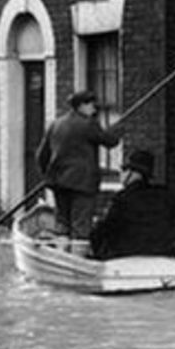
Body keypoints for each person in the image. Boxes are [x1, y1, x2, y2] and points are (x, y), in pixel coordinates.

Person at [35, 90, 123, 255]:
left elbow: (41, 155)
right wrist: (118, 128)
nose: (94, 109)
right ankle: (77, 262)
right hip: (82, 184)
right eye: (91, 105)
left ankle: (61, 258)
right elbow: (111, 141)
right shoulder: (88, 124)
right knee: (81, 225)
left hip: (58, 183)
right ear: (81, 106)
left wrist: (47, 176)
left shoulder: (56, 124)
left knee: (62, 223)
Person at [90, 150, 175, 260]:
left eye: (124, 169)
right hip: (162, 251)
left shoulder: (122, 198)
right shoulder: (165, 197)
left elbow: (107, 228)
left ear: (133, 173)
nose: (121, 174)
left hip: (125, 253)